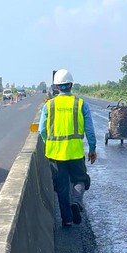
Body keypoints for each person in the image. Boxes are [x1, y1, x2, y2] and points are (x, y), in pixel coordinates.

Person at [38, 69, 97, 227]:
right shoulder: (80, 104)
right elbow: (90, 130)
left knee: (62, 187)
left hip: (55, 155)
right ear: (71, 85)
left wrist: (48, 143)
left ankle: (67, 219)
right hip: (75, 152)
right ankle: (76, 203)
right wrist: (92, 149)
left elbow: (42, 130)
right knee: (80, 179)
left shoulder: (49, 105)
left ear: (56, 86)